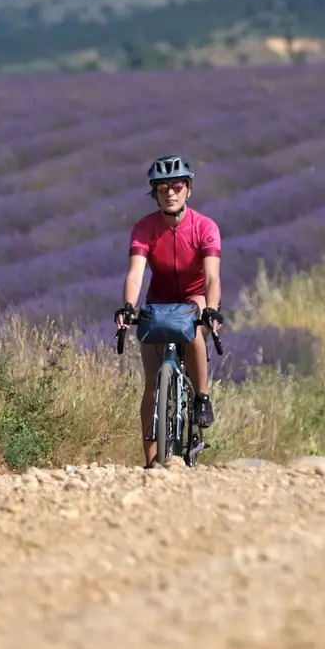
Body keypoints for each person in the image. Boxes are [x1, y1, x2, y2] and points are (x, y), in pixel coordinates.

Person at [115, 155, 223, 467]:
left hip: (194, 297)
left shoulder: (205, 227)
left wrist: (212, 310)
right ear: (155, 193)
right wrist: (128, 307)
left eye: (176, 185)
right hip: (158, 301)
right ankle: (152, 461)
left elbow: (213, 277)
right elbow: (135, 273)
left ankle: (201, 396)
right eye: (162, 187)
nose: (170, 192)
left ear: (188, 189)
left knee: (192, 325)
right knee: (151, 383)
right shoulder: (144, 228)